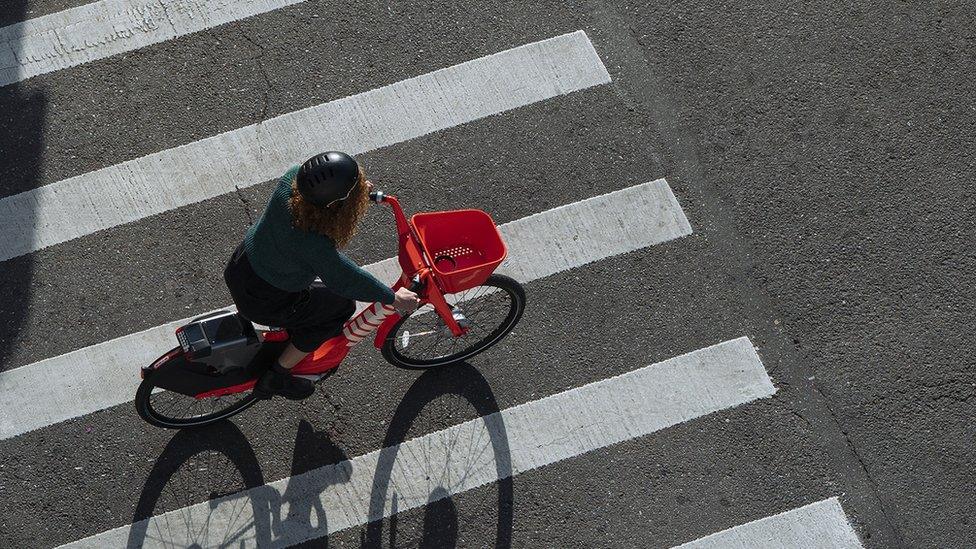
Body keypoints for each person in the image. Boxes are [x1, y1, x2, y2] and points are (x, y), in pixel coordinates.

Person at [223, 151, 419, 400]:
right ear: (334, 205)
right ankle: (277, 375)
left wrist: (356, 195)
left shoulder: (290, 179)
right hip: (265, 299)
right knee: (339, 308)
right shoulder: (312, 243)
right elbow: (345, 277)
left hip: (243, 265)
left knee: (319, 297)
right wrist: (392, 297)